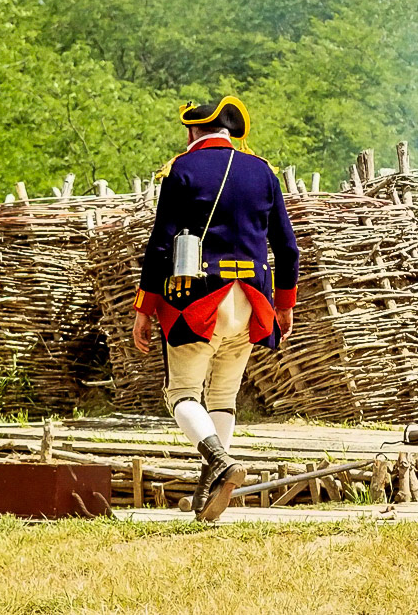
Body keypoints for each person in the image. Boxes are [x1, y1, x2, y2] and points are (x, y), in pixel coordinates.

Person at [131, 95, 299, 521]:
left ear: (193, 130)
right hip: (252, 300)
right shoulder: (262, 172)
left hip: (200, 299)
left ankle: (220, 463)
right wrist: (285, 306)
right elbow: (287, 248)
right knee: (223, 396)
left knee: (182, 393)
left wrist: (144, 308)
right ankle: (210, 497)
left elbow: (160, 246)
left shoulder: (181, 171)